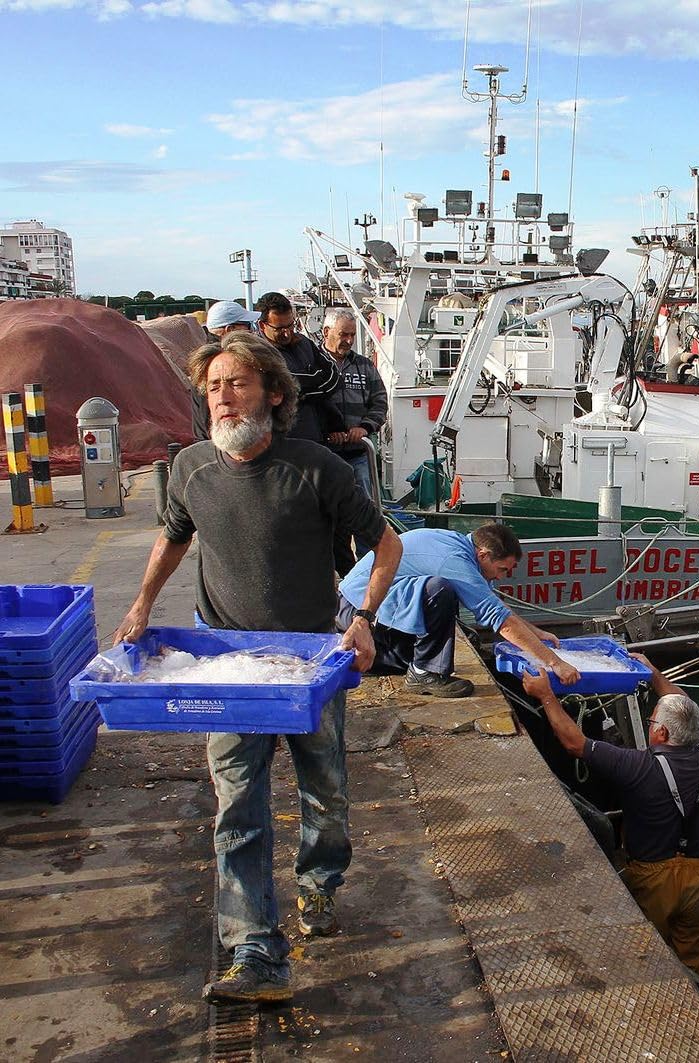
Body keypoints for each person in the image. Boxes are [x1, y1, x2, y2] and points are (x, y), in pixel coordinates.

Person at [115, 330, 404, 1007]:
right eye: (213, 385)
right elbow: (173, 534)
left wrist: (363, 616)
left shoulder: (317, 468)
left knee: (325, 797)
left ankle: (318, 881)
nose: (222, 396)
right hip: (229, 666)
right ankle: (253, 944)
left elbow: (386, 544)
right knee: (236, 804)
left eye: (237, 383)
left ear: (273, 394)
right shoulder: (189, 468)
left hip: (312, 663)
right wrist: (140, 604)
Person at [521, 659, 699, 976]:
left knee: (649, 952)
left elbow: (575, 743)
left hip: (654, 876)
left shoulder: (637, 767)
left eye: (652, 722)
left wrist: (547, 696)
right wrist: (654, 673)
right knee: (695, 952)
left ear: (663, 733)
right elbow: (684, 702)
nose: (649, 725)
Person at [337, 523, 580, 698]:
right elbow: (501, 622)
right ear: (483, 555)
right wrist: (555, 663)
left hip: (358, 605)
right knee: (440, 590)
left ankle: (372, 659)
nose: (501, 576)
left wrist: (536, 633)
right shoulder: (455, 560)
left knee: (404, 659)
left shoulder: (458, 544)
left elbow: (492, 603)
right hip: (358, 610)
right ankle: (424, 672)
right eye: (502, 569)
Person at [321, 307, 388, 574]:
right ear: (327, 332)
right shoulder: (314, 363)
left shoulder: (364, 366)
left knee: (364, 513)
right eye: (343, 334)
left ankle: (367, 572)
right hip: (325, 457)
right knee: (328, 518)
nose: (348, 340)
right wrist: (328, 431)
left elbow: (380, 401)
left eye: (351, 335)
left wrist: (365, 427)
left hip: (358, 455)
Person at [256, 291, 342, 445]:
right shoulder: (258, 352)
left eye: (290, 325)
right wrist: (315, 381)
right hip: (282, 441)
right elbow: (286, 385)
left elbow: (334, 375)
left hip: (317, 436)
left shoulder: (304, 342)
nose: (287, 333)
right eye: (279, 328)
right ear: (263, 326)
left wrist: (303, 392)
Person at [192, 300, 260, 440]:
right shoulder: (217, 364)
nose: (252, 332)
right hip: (224, 446)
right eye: (247, 326)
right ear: (230, 330)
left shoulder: (205, 360)